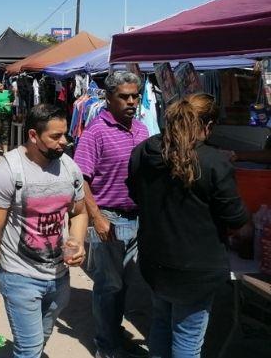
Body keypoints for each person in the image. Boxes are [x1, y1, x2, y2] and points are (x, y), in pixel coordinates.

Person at [126, 93, 247, 358]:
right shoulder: (214, 162)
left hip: (155, 259)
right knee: (187, 339)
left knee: (160, 323)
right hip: (196, 269)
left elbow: (136, 195)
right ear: (208, 125)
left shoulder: (142, 152)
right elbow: (235, 218)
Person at [0, 103, 88, 358]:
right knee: (29, 350)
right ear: (33, 135)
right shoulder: (7, 172)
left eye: (65, 135)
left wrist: (77, 241)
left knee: (39, 343)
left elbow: (79, 212)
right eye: (56, 137)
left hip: (58, 278)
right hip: (20, 278)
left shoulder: (70, 169)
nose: (64, 142)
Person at [72, 71, 150, 358]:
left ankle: (114, 333)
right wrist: (97, 218)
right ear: (109, 97)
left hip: (136, 218)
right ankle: (106, 345)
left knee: (125, 285)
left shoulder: (142, 129)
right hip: (108, 218)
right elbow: (81, 180)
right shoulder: (96, 131)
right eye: (124, 96)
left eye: (135, 96)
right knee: (109, 286)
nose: (131, 101)